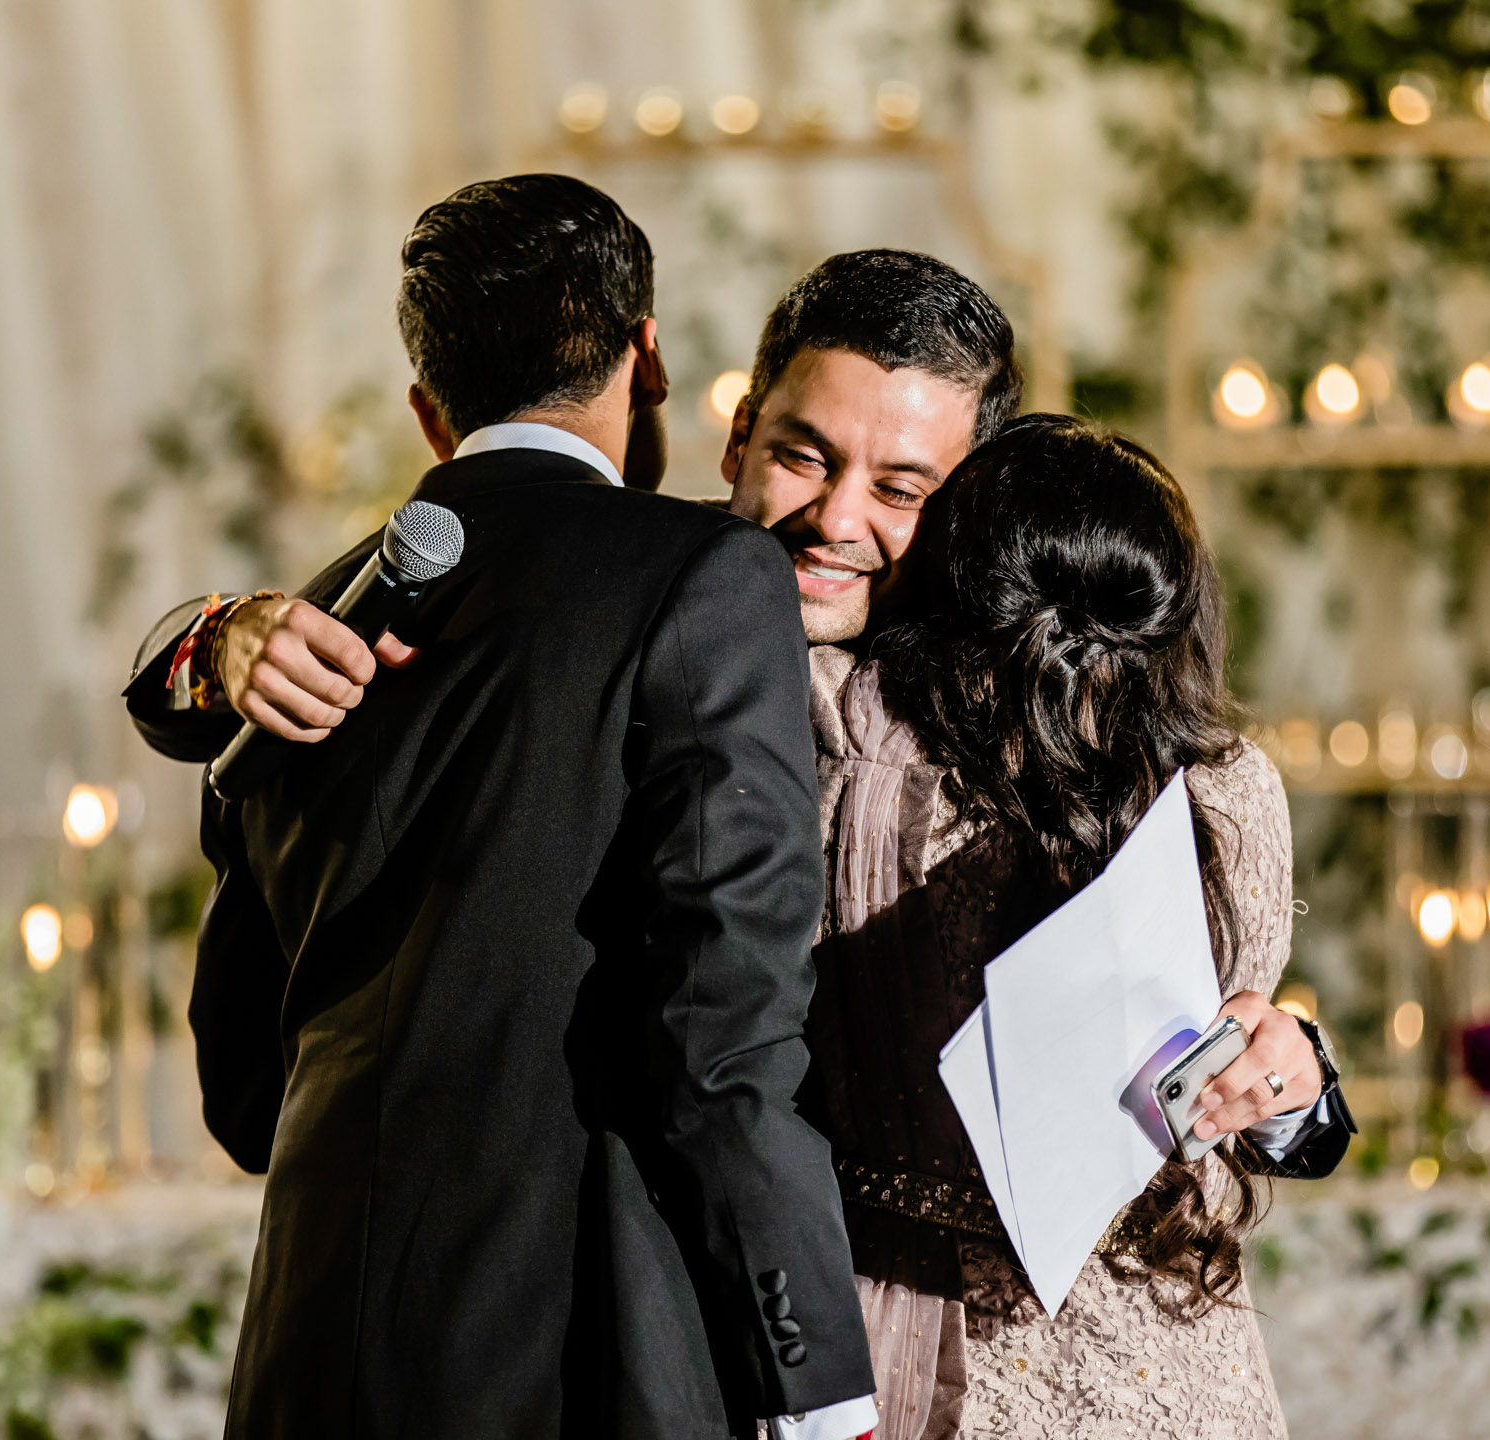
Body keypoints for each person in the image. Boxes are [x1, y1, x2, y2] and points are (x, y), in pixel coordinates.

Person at [149, 174, 877, 1439]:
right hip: (578, 1356)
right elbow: (725, 1030)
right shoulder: (710, 578)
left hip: (310, 1360)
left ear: (431, 412)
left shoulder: (296, 635)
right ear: (646, 356)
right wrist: (818, 1389)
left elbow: (242, 1096)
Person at [808, 413, 1349, 1439]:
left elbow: (1240, 1080)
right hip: (942, 1344)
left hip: (1139, 1352)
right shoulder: (839, 729)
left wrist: (1290, 1080)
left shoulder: (1221, 793)